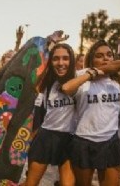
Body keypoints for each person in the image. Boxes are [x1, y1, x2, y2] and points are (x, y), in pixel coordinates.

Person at [61, 40, 120, 186]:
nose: (105, 58)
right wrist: (91, 73)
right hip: (84, 142)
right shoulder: (81, 76)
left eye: (109, 55)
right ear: (92, 59)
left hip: (110, 141)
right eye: (99, 56)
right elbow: (67, 89)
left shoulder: (117, 79)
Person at [25, 43, 76, 186]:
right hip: (46, 137)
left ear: (72, 60)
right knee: (31, 183)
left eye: (65, 58)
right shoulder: (47, 82)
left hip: (69, 140)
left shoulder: (80, 79)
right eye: (56, 59)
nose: (61, 63)